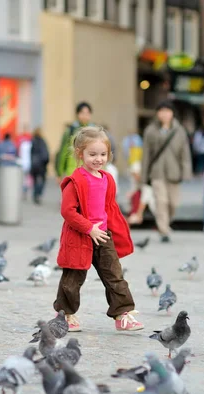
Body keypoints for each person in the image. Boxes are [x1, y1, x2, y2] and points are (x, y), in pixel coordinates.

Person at [54, 125, 142, 333]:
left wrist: (116, 231)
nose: (98, 159)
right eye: (92, 154)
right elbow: (67, 211)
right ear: (80, 154)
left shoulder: (107, 179)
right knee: (72, 278)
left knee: (114, 274)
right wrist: (88, 228)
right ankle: (65, 314)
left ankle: (122, 314)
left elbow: (109, 208)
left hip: (102, 236)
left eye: (103, 154)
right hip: (79, 237)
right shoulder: (74, 181)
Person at [141, 101, 192, 243]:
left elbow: (185, 153)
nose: (164, 114)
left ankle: (165, 223)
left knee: (173, 203)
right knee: (161, 201)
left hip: (174, 172)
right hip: (157, 172)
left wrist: (186, 171)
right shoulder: (150, 130)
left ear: (172, 113)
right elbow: (146, 155)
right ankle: (163, 230)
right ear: (157, 113)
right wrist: (144, 177)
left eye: (167, 111)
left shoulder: (179, 130)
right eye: (161, 111)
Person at [56, 102, 95, 182]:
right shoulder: (71, 130)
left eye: (87, 113)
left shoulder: (94, 131)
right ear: (77, 114)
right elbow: (63, 152)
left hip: (90, 171)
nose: (85, 115)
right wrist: (59, 173)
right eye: (82, 113)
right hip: (72, 171)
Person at [30, 127, 49, 204]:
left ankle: (35, 194)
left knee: (35, 180)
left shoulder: (33, 141)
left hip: (34, 164)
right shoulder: (42, 141)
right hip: (41, 164)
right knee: (43, 180)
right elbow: (46, 154)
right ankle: (38, 194)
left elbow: (31, 153)